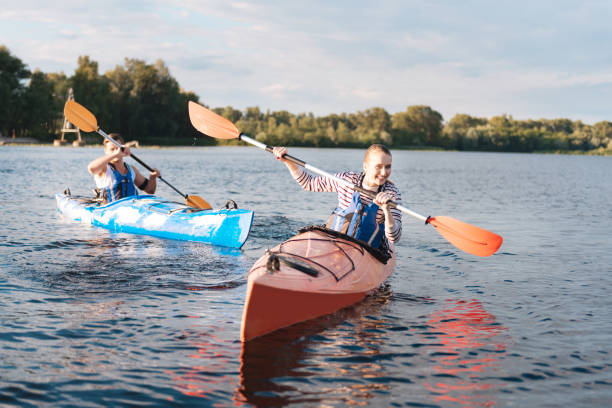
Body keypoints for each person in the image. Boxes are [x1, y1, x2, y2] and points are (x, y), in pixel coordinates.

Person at [272, 144, 402, 249]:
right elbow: (308, 183)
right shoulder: (346, 180)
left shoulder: (391, 194)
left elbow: (394, 237)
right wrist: (288, 161)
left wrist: (386, 209)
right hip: (336, 241)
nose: (384, 172)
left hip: (368, 249)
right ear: (366, 167)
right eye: (378, 167)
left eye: (388, 167)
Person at [87, 133, 161, 203]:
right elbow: (91, 168)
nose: (116, 151)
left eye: (118, 148)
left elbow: (150, 190)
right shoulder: (104, 169)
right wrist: (115, 154)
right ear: (105, 151)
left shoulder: (131, 169)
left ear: (122, 148)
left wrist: (152, 178)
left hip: (131, 209)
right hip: (110, 211)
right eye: (112, 149)